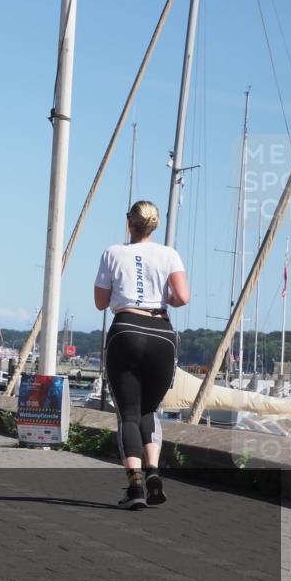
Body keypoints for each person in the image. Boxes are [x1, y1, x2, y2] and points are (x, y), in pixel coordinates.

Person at [94, 200, 189, 509]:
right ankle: (154, 472)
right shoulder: (169, 254)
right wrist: (165, 297)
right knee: (149, 410)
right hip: (162, 332)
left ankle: (135, 487)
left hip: (126, 329)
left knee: (129, 414)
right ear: (155, 225)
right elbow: (182, 297)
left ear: (128, 223)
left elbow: (100, 301)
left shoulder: (112, 253)